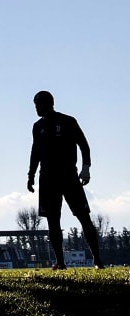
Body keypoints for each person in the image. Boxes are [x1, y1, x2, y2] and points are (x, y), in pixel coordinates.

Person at [28, 90, 105, 270]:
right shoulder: (37, 126)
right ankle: (60, 263)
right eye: (35, 105)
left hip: (68, 175)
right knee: (53, 220)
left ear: (49, 103)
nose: (36, 108)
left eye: (39, 104)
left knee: (84, 217)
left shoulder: (68, 121)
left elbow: (84, 144)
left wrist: (86, 167)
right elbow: (35, 152)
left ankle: (97, 260)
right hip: (47, 178)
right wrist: (30, 175)